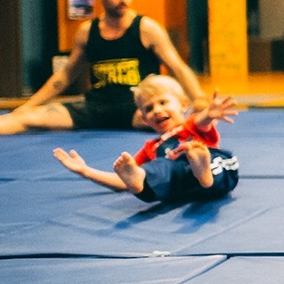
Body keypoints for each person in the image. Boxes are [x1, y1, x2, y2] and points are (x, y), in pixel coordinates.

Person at [0, 0, 204, 135]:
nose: (124, 0)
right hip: (95, 107)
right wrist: (28, 106)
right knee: (23, 119)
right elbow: (64, 76)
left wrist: (199, 98)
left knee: (172, 123)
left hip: (136, 110)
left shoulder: (146, 28)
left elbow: (177, 66)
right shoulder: (87, 32)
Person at [52, 75, 239, 203]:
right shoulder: (152, 147)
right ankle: (197, 173)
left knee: (214, 158)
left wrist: (209, 113)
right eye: (149, 109)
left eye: (163, 103)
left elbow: (202, 121)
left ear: (183, 103)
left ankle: (202, 168)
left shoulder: (190, 125)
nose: (157, 110)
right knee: (159, 167)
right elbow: (124, 180)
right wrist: (87, 171)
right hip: (181, 183)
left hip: (211, 166)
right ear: (144, 119)